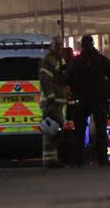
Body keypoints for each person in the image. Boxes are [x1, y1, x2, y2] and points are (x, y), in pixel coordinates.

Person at [66, 35, 110, 166]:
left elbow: (66, 78)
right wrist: (109, 94)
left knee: (79, 130)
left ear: (82, 46)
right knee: (101, 130)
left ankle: (79, 160)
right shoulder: (101, 60)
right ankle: (102, 159)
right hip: (99, 99)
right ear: (93, 44)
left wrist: (73, 92)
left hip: (82, 99)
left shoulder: (77, 61)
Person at [39, 36, 67, 168]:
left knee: (55, 130)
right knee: (50, 131)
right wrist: (50, 96)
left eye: (61, 44)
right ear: (52, 45)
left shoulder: (59, 60)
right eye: (57, 44)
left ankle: (53, 159)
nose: (60, 46)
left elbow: (60, 79)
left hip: (58, 101)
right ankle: (49, 161)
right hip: (52, 101)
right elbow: (45, 79)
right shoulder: (49, 60)